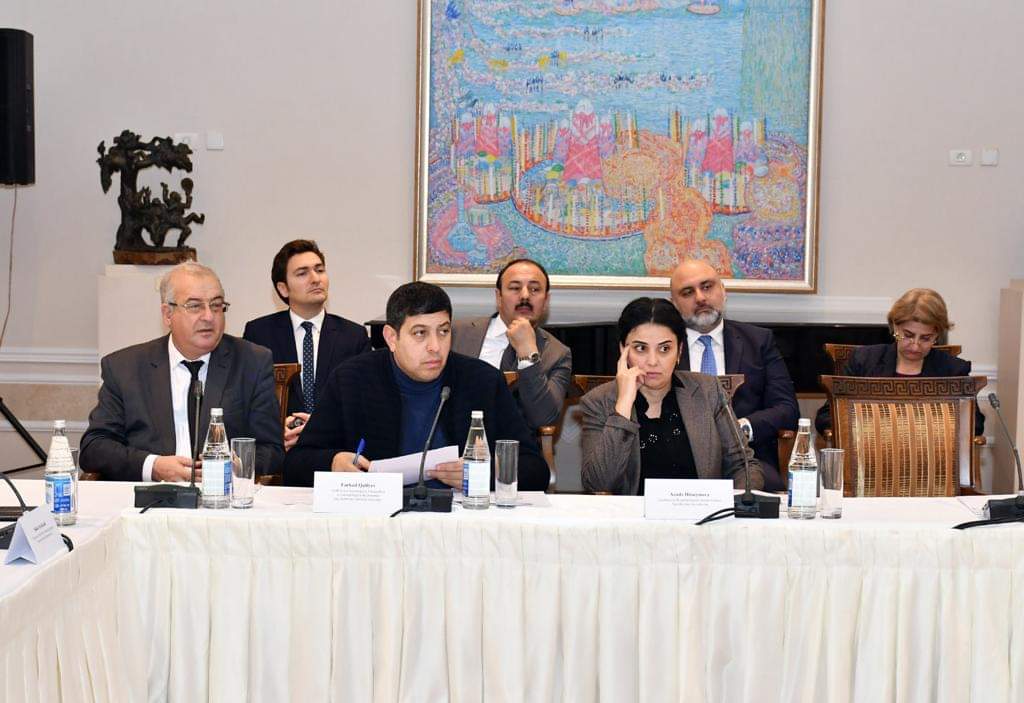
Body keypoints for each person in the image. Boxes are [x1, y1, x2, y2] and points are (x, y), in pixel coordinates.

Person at [284, 281, 549, 490]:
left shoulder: (482, 381)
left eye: (443, 331)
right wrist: (332, 463)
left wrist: (483, 474)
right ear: (391, 337)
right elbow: (296, 465)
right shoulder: (352, 379)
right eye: (420, 333)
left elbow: (535, 470)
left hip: (459, 521)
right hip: (378, 522)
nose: (435, 346)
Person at [80, 262, 284, 481]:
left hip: (222, 495)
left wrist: (233, 466)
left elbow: (272, 450)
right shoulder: (125, 368)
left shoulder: (252, 362)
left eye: (216, 306)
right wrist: (153, 466)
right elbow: (94, 447)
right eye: (195, 306)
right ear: (168, 314)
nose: (209, 316)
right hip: (149, 496)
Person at [580, 297, 762, 495]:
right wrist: (623, 405)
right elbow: (598, 483)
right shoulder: (598, 401)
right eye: (641, 348)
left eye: (664, 349)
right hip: (633, 514)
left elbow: (744, 466)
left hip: (701, 512)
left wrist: (732, 503)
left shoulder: (708, 390)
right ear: (623, 350)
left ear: (679, 351)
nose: (653, 361)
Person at [669, 258, 798, 491]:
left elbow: (787, 409)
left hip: (749, 459)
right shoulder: (663, 348)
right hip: (681, 460)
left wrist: (740, 430)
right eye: (688, 292)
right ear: (674, 304)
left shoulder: (758, 341)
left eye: (707, 287)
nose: (700, 297)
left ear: (723, 291)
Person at [243, 239, 370, 449]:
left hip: (332, 452)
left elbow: (361, 404)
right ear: (283, 289)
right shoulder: (259, 333)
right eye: (302, 273)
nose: (315, 279)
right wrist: (276, 428)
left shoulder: (353, 336)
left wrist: (319, 426)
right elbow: (247, 400)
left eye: (319, 270)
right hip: (280, 451)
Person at [815, 287, 984, 434]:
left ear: (937, 335)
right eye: (908, 335)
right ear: (895, 327)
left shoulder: (953, 370)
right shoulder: (864, 361)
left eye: (925, 338)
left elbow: (974, 425)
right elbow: (827, 417)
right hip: (872, 452)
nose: (915, 346)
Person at [451, 258, 572, 429]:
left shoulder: (558, 354)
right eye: (515, 288)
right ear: (498, 297)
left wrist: (528, 354)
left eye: (535, 289)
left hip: (516, 443)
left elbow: (544, 419)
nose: (525, 296)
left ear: (546, 300)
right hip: (455, 437)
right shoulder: (457, 332)